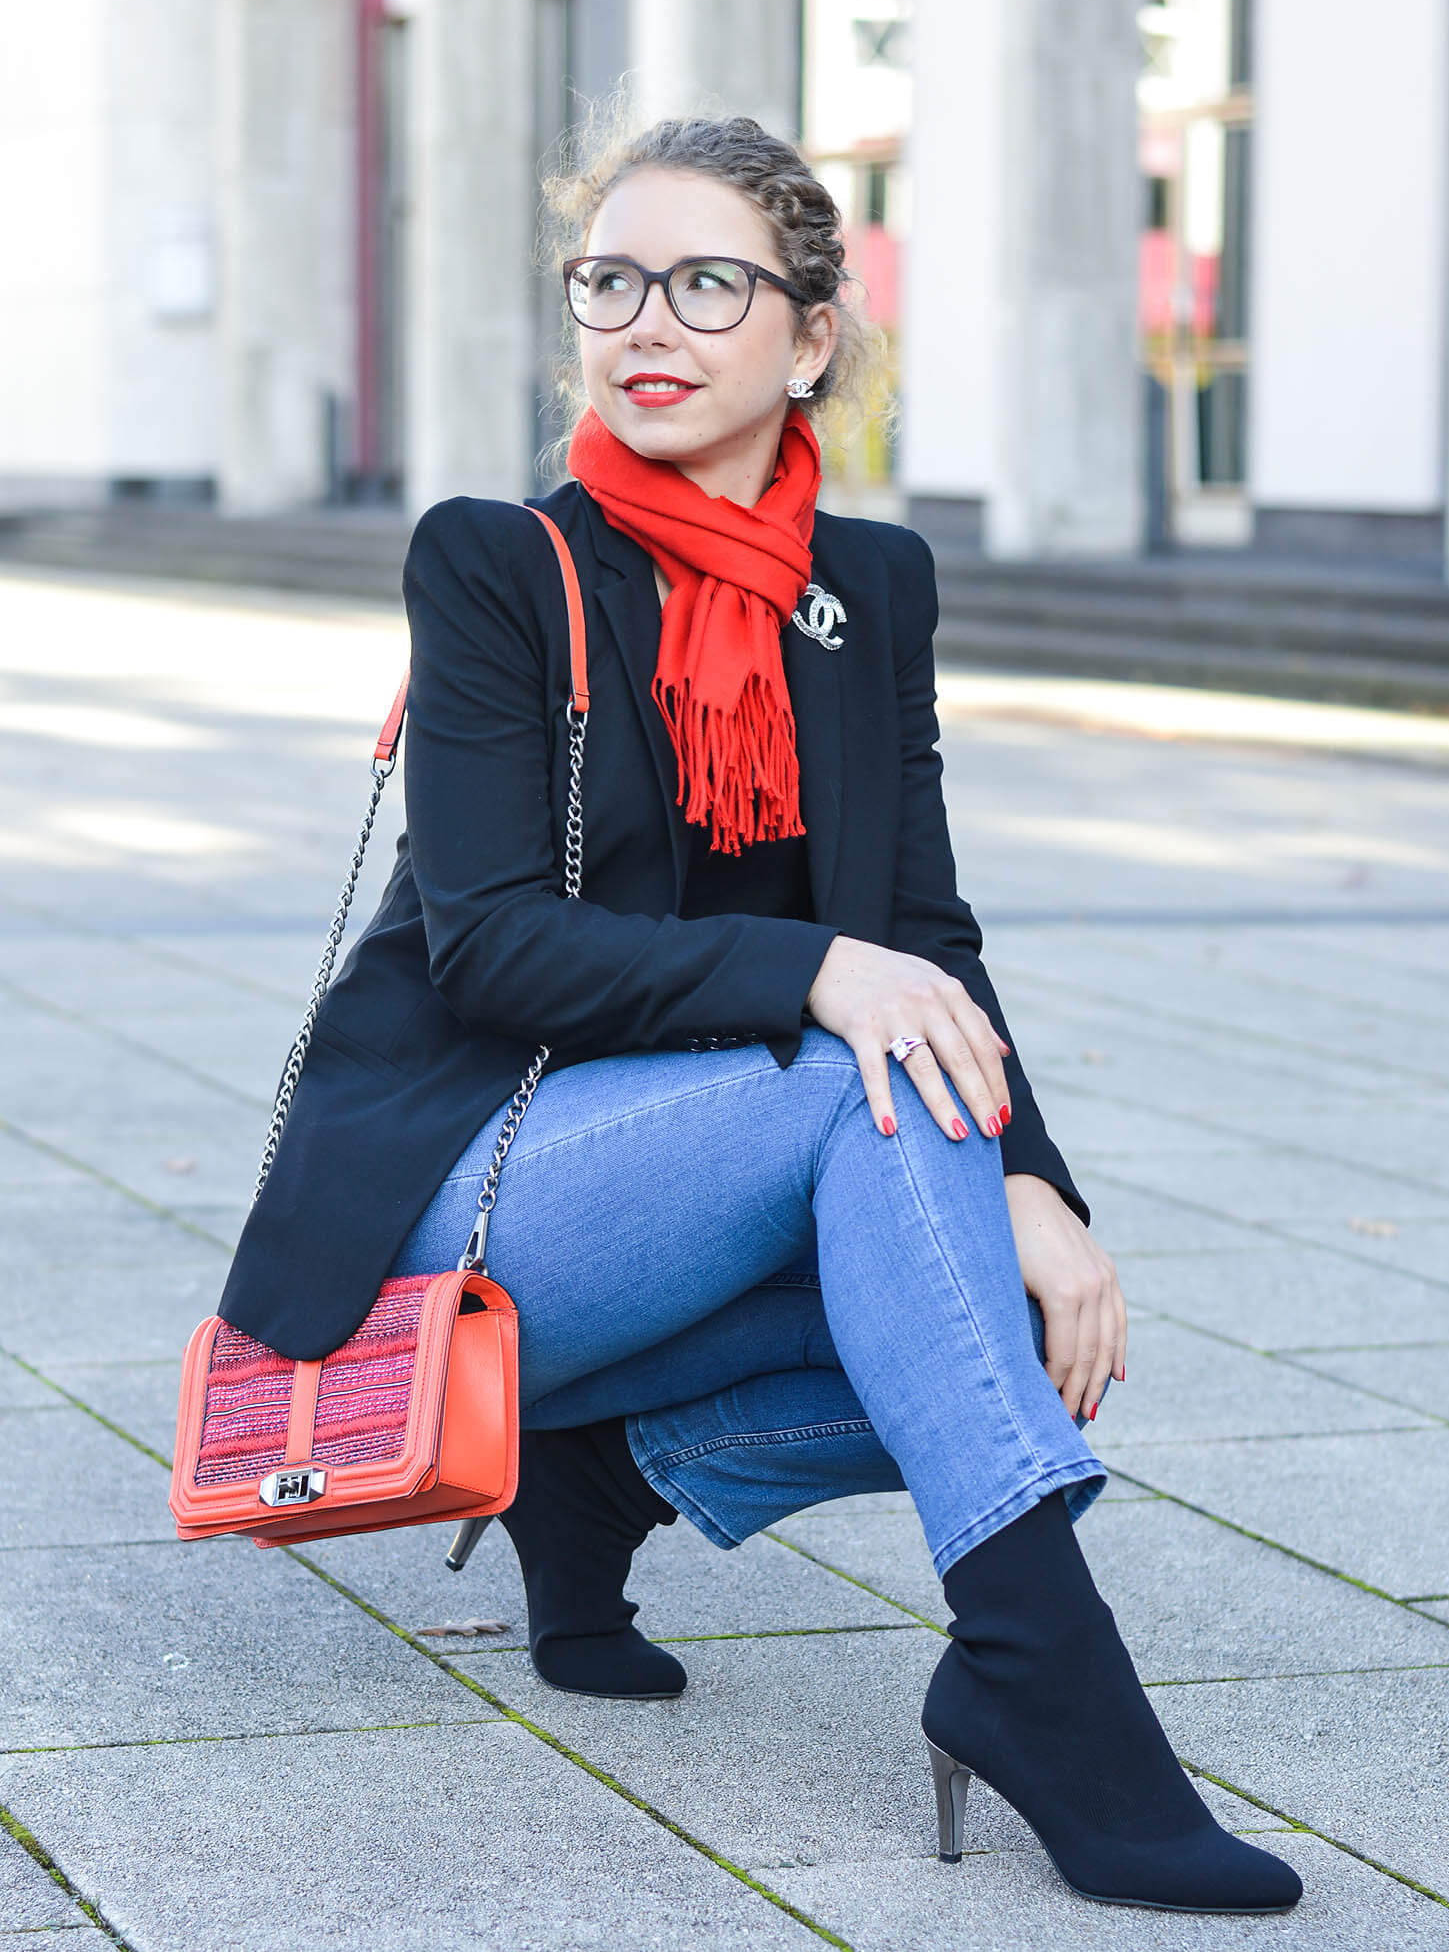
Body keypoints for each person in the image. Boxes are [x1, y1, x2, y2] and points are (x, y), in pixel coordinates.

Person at [219, 112, 1301, 1916]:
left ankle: (598, 1476)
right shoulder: (501, 563)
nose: (651, 317)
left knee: (1005, 1309)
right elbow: (491, 946)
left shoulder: (869, 592)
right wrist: (814, 974)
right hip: (475, 1187)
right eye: (612, 279)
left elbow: (929, 925)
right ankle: (1049, 1680)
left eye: (711, 281)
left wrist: (1033, 1176)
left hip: (727, 1168)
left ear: (810, 335)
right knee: (855, 1086)